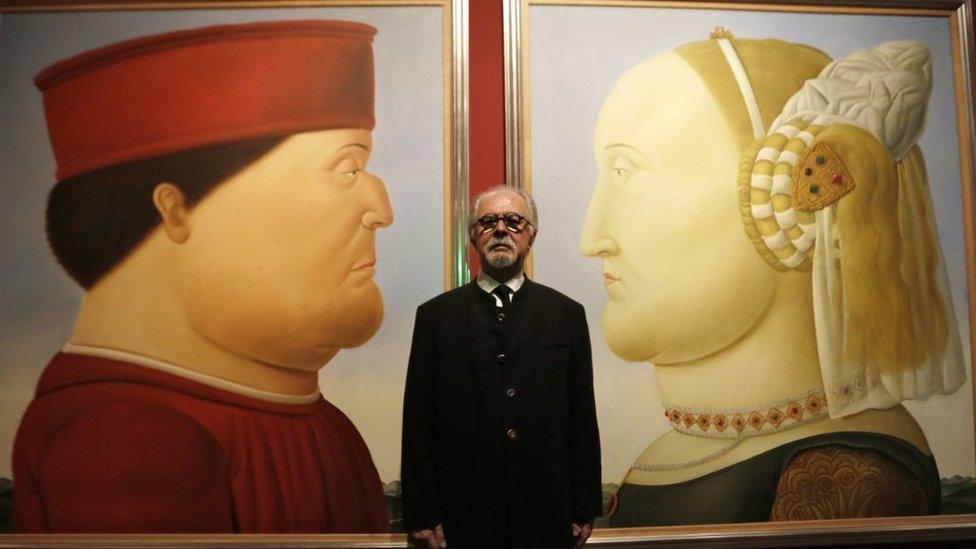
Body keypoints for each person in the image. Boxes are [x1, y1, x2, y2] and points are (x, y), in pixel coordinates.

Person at [13, 20, 392, 533]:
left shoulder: (321, 423)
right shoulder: (126, 439)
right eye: (347, 169)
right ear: (177, 210)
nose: (380, 209)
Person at [580, 31, 965, 525]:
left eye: (624, 171)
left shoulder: (842, 474)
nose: (591, 239)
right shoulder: (676, 450)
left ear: (781, 197)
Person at [401, 186, 602, 548]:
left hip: (546, 510)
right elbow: (418, 421)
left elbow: (581, 416)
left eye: (513, 221)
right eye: (488, 221)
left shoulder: (566, 315)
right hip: (463, 515)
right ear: (473, 237)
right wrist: (422, 513)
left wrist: (583, 506)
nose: (500, 229)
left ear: (531, 236)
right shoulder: (435, 317)